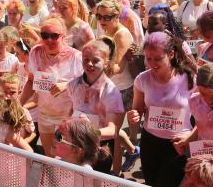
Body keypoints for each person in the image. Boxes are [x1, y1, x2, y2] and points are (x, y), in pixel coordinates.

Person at [127, 31, 195, 187]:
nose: (152, 63)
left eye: (158, 58)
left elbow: (205, 118)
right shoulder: (142, 79)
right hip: (150, 141)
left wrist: (190, 136)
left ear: (171, 54)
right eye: (148, 58)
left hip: (177, 143)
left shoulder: (189, 78)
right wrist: (134, 115)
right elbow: (138, 108)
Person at [68, 39, 138, 174]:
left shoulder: (111, 93)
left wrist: (88, 132)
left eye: (95, 61)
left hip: (100, 148)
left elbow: (113, 130)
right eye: (86, 59)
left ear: (106, 64)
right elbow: (72, 110)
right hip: (76, 143)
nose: (89, 64)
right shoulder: (73, 85)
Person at [20, 18, 83, 157]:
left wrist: (66, 85)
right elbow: (30, 81)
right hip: (45, 114)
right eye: (44, 35)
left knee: (68, 157)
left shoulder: (76, 57)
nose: (49, 40)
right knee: (49, 156)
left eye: (54, 36)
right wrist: (19, 104)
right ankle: (51, 179)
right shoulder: (35, 53)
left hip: (69, 116)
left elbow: (87, 85)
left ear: (63, 36)